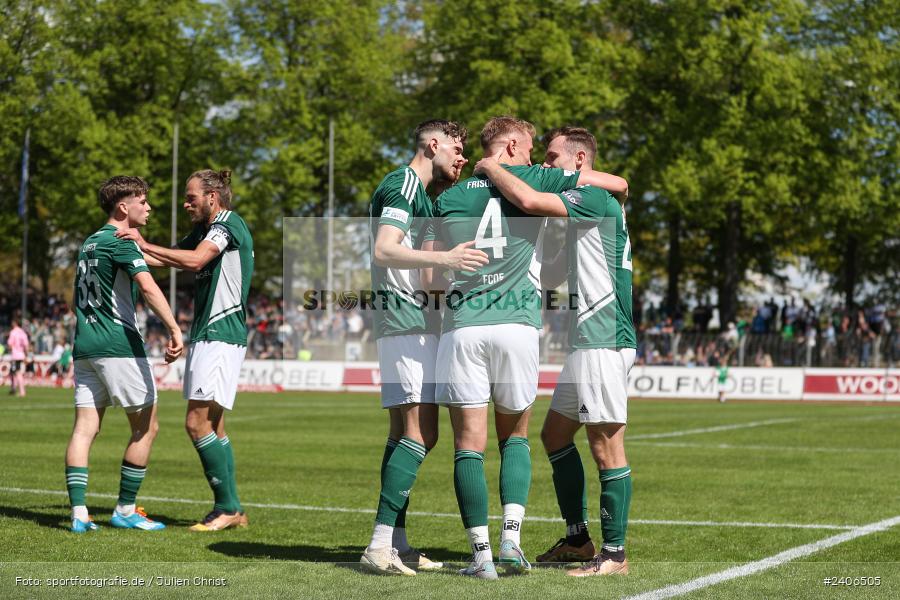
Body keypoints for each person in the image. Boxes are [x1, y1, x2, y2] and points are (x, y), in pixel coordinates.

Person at [434, 117, 628, 579]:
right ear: (515, 145)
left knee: (472, 444)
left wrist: (486, 166)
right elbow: (558, 262)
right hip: (529, 329)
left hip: (478, 327)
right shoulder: (543, 180)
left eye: (550, 154)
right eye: (535, 151)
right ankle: (553, 540)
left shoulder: (451, 196)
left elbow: (433, 275)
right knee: (540, 436)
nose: (540, 159)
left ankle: (608, 553)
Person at [361, 119, 488, 576]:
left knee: (403, 434)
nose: (462, 157)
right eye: (456, 148)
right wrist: (446, 258)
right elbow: (384, 250)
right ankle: (380, 545)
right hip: (405, 320)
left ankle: (395, 543)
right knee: (420, 434)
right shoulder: (402, 185)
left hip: (407, 319)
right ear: (432, 144)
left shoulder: (416, 190)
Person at [117, 169, 254, 531]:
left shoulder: (226, 223)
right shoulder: (205, 231)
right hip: (213, 333)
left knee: (196, 423)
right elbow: (170, 258)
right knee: (214, 425)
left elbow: (194, 261)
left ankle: (226, 507)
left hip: (220, 333)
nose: (185, 203)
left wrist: (143, 244)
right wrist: (123, 250)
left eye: (191, 196)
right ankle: (234, 509)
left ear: (213, 196)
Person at [65, 175, 184, 533]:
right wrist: (176, 329)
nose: (148, 207)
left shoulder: (90, 243)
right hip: (118, 346)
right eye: (143, 201)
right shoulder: (121, 240)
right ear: (123, 206)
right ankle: (126, 509)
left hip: (84, 347)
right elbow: (147, 286)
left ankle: (79, 514)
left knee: (85, 430)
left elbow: (79, 300)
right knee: (147, 428)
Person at [6, 319, 29, 397]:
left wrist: (9, 349)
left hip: (15, 355)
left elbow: (9, 344)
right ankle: (14, 388)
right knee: (13, 372)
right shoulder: (23, 333)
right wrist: (26, 356)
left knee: (17, 373)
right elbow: (26, 345)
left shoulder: (13, 332)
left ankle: (22, 391)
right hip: (21, 355)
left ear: (15, 323)